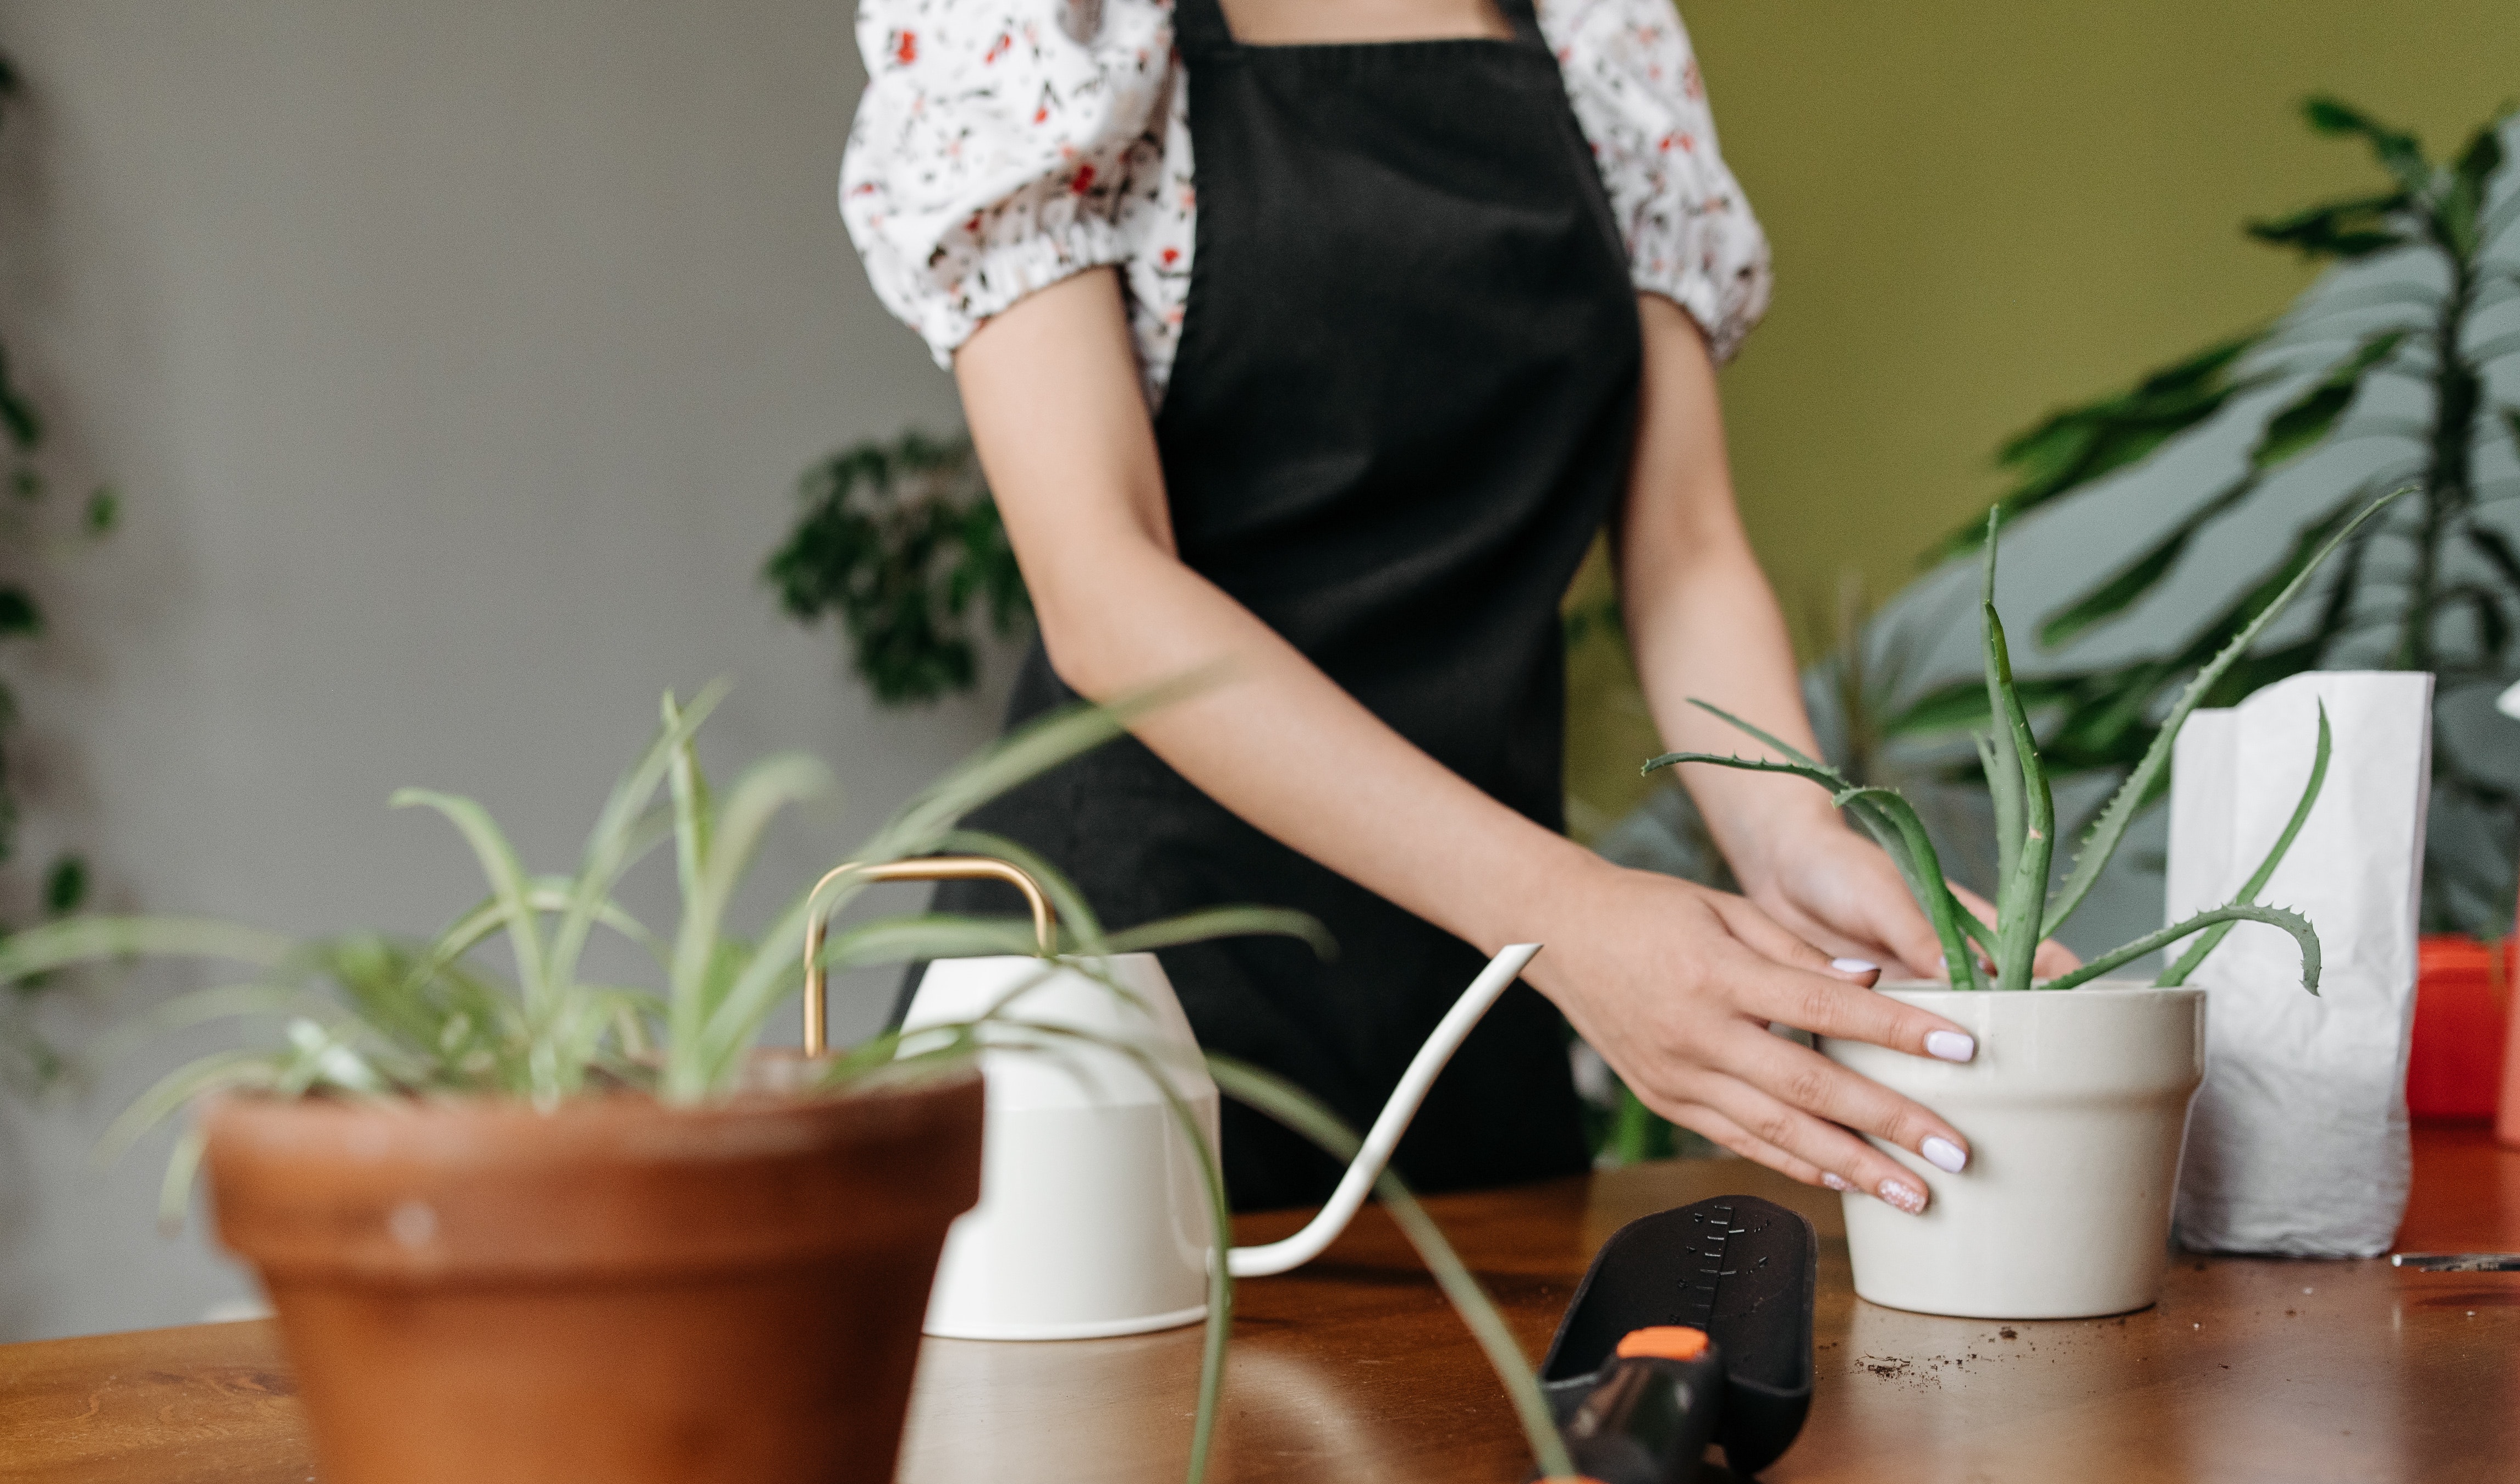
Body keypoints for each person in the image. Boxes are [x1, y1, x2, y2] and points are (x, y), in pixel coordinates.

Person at [841, 0, 2059, 1215]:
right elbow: (1105, 588)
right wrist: (1564, 916)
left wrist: (1800, 841)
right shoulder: (1050, 24)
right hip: (1131, 1009)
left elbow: (1682, 547)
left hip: (1482, 1011)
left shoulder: (1598, 29)